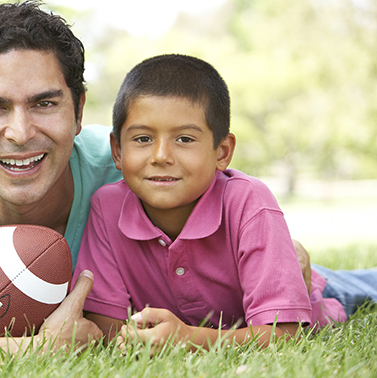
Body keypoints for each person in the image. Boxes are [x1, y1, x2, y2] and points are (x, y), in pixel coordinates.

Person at [0, 0, 313, 362]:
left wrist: (280, 252)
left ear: (79, 112)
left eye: (45, 103)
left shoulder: (125, 163)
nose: (21, 131)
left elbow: (227, 192)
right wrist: (31, 353)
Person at [72, 54, 377, 353]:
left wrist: (188, 339)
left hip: (311, 290)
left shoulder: (248, 200)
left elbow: (285, 333)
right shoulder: (106, 207)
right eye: (142, 139)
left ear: (222, 152)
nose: (161, 156)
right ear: (117, 149)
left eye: (185, 139)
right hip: (253, 287)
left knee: (367, 285)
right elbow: (107, 328)